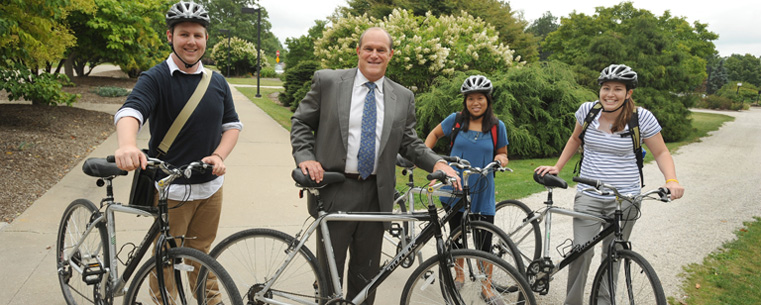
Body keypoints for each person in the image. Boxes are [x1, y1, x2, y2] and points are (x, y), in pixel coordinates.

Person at [290, 27, 460, 304]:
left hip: (376, 196)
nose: (374, 54)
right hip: (335, 191)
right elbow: (300, 122)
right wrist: (305, 156)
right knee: (329, 280)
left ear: (390, 55)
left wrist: (438, 162)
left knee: (366, 278)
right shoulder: (329, 82)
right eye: (368, 48)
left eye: (381, 50)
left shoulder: (403, 96)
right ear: (358, 51)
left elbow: (410, 144)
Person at [113, 0, 241, 300]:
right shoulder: (155, 78)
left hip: (210, 188)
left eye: (198, 35)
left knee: (202, 255)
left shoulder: (217, 81)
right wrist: (128, 144)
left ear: (206, 39)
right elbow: (130, 112)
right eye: (184, 34)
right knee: (165, 260)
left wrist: (219, 155)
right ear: (170, 37)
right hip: (171, 190)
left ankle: (210, 301)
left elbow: (232, 125)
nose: (191, 42)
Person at [534, 64, 684, 305]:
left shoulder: (641, 118)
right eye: (606, 88)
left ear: (628, 94)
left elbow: (662, 152)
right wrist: (557, 167)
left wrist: (672, 180)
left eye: (617, 89)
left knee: (613, 255)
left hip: (626, 199)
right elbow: (575, 139)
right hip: (589, 195)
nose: (610, 94)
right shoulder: (587, 111)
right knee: (581, 252)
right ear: (600, 90)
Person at [424, 74, 509, 303]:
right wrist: (429, 158)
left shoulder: (496, 126)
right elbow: (433, 135)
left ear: (488, 100)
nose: (475, 103)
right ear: (465, 101)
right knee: (456, 234)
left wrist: (500, 161)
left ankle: (487, 286)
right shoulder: (456, 120)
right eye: (471, 98)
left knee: (484, 238)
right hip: (455, 186)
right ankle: (459, 274)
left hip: (482, 187)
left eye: (480, 98)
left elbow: (502, 153)